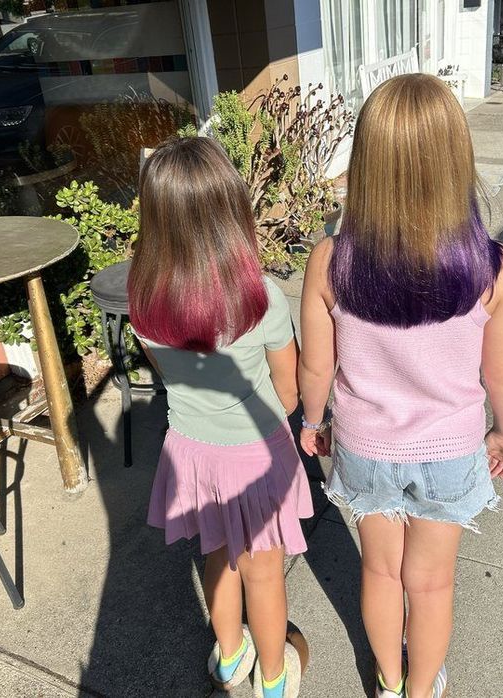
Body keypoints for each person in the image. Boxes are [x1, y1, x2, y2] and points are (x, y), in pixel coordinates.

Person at [298, 74, 503, 698]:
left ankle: (389, 680)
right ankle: (422, 690)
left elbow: (316, 369)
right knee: (431, 583)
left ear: (365, 163)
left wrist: (311, 421)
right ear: (458, 160)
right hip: (451, 450)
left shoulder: (331, 260)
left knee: (379, 570)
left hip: (365, 446)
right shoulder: (493, 268)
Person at [128, 137, 313, 698]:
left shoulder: (143, 298)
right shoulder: (262, 300)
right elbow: (288, 389)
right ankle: (275, 679)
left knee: (217, 555)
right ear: (233, 211)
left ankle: (231, 658)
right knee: (263, 571)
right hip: (257, 456)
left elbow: (167, 376)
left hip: (191, 450)